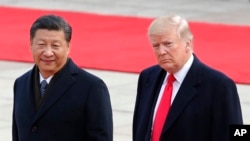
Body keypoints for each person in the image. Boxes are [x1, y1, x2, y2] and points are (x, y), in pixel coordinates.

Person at [132, 15, 243, 141]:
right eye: (156, 46)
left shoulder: (219, 86)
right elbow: (140, 129)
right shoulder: (147, 77)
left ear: (188, 44)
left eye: (168, 44)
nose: (161, 51)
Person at [12, 14, 113, 141]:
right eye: (41, 44)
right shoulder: (21, 83)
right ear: (31, 45)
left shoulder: (92, 87)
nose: (48, 52)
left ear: (68, 47)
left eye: (55, 46)